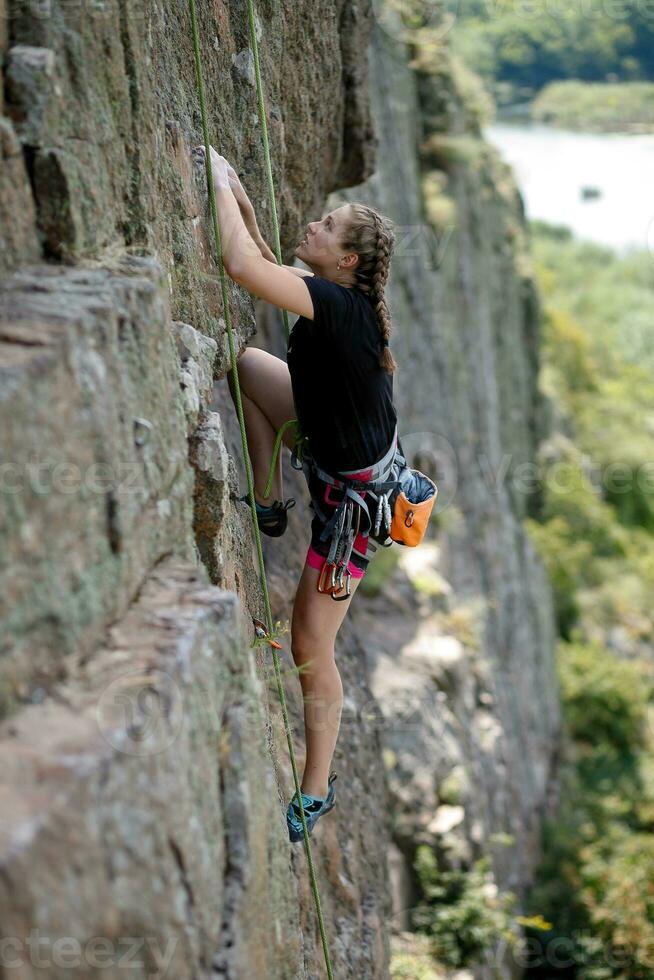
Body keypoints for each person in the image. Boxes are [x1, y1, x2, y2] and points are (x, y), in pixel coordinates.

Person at [193, 144, 399, 842]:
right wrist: (240, 197)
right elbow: (256, 253)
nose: (313, 222)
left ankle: (317, 787)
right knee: (250, 367)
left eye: (328, 224)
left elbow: (241, 267)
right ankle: (267, 499)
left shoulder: (338, 307)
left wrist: (217, 180)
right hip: (325, 448)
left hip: (355, 514)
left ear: (346, 261)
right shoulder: (335, 297)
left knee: (310, 645)